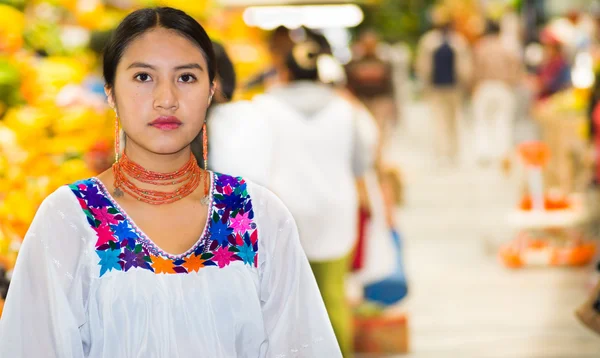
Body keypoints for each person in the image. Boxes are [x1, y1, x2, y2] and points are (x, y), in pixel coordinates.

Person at [0, 7, 342, 357]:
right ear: (110, 92)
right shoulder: (67, 219)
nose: (166, 99)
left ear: (212, 90)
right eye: (143, 77)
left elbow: (303, 344)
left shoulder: (258, 215)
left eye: (186, 78)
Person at [209, 40, 379, 357]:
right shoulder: (346, 108)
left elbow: (249, 162)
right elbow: (361, 162)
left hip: (282, 208)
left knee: (284, 301)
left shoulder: (261, 108)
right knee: (332, 296)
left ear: (285, 72)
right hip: (336, 210)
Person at [415, 11, 472, 167]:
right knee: (439, 122)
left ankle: (453, 152)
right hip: (436, 88)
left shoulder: (458, 41)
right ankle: (442, 153)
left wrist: (465, 82)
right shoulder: (429, 42)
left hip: (454, 88)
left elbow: (465, 66)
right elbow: (423, 65)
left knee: (453, 121)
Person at [472, 20, 523, 165]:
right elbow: (516, 68)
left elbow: (475, 70)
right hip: (503, 87)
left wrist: (474, 86)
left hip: (485, 86)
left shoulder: (481, 48)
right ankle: (502, 153)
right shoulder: (506, 48)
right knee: (503, 121)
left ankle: (484, 153)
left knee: (483, 121)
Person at [345, 30, 396, 152]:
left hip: (379, 101)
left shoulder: (383, 63)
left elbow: (389, 85)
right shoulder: (354, 63)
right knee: (363, 131)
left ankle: (377, 158)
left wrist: (392, 105)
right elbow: (349, 85)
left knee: (379, 132)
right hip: (362, 102)